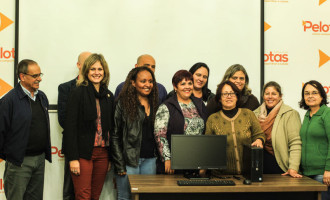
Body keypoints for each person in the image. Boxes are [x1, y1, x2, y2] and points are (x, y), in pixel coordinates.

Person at [63, 53, 114, 200]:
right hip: (83, 154)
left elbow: (111, 129)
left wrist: (110, 157)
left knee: (95, 195)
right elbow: (70, 128)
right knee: (83, 195)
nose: (96, 72)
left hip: (103, 154)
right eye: (92, 69)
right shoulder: (77, 93)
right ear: (86, 71)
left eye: (100, 69)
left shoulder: (108, 96)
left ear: (105, 72)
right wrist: (73, 158)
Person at [0, 59, 52, 199]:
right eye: (35, 76)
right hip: (19, 163)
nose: (39, 79)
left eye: (40, 74)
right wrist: (12, 156)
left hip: (40, 160)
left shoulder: (42, 97)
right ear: (22, 77)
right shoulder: (9, 100)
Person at [112, 67, 159, 200]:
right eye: (143, 81)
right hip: (128, 161)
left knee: (146, 197)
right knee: (125, 197)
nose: (147, 84)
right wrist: (120, 164)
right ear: (133, 83)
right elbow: (114, 136)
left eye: (150, 81)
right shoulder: (122, 103)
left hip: (150, 160)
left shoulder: (155, 103)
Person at [205, 80, 265, 175]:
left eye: (232, 93)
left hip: (248, 175)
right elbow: (207, 148)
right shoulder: (212, 119)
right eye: (225, 94)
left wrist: (259, 140)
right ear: (220, 98)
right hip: (221, 176)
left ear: (237, 97)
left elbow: (259, 134)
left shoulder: (248, 114)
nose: (229, 96)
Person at [154, 70, 208, 175]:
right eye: (183, 84)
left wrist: (204, 162)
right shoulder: (166, 106)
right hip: (174, 163)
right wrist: (167, 159)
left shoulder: (200, 104)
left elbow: (205, 133)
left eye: (190, 83)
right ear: (175, 87)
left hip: (196, 161)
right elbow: (160, 135)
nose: (187, 87)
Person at [58, 51, 91, 200]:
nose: (90, 67)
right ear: (78, 65)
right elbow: (64, 119)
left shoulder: (100, 89)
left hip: (94, 149)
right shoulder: (65, 88)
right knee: (70, 190)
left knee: (89, 191)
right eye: (87, 63)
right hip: (74, 146)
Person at [254, 81, 302, 178]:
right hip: (259, 168)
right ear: (263, 96)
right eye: (267, 94)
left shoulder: (290, 114)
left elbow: (295, 143)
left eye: (274, 94)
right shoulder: (255, 114)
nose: (270, 97)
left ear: (280, 96)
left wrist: (293, 168)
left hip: (281, 168)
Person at [299, 80, 330, 200]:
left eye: (314, 93)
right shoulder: (307, 115)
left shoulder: (327, 114)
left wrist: (328, 170)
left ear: (322, 96)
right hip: (306, 174)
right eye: (306, 93)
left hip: (322, 174)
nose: (310, 96)